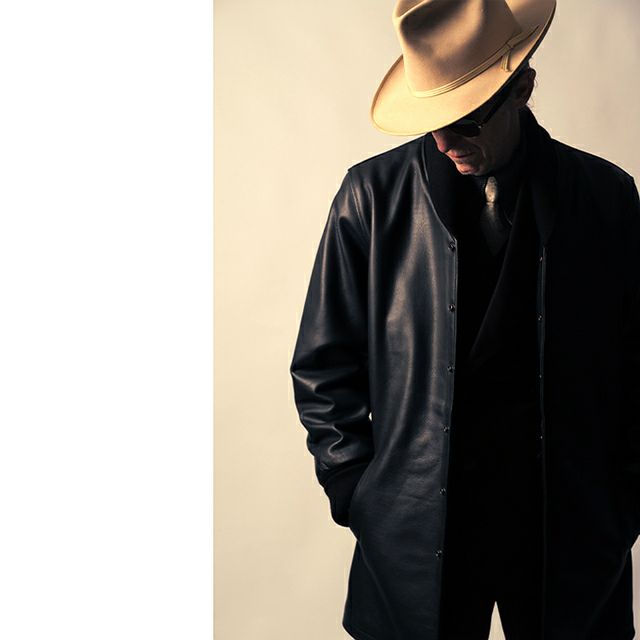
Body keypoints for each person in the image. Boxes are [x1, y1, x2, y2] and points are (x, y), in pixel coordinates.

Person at [289, 1, 640, 638]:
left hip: (569, 530)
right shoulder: (369, 198)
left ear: (523, 88)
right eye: (434, 123)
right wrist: (358, 493)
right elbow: (323, 364)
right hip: (415, 531)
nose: (446, 142)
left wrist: (624, 502)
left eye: (467, 120)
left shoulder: (605, 196)